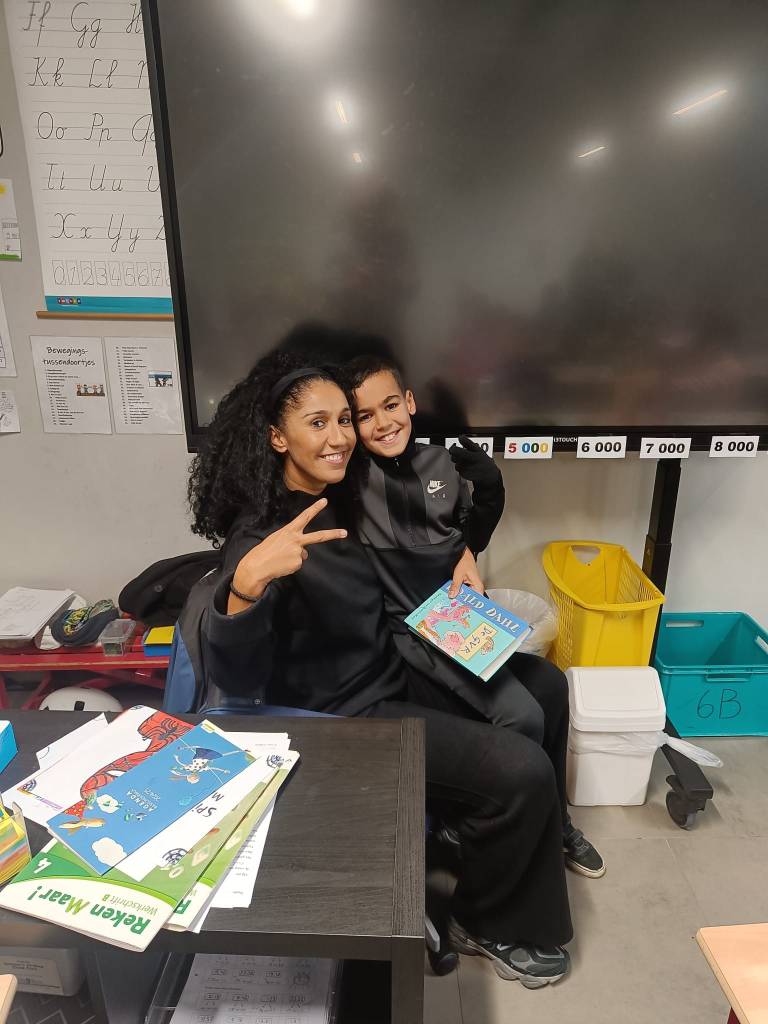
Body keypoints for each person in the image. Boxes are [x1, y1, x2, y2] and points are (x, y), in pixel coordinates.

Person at [190, 349, 573, 986]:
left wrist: (464, 553)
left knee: (546, 686)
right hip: (345, 715)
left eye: (345, 420)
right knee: (520, 770)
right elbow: (235, 673)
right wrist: (245, 589)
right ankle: (484, 919)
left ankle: (525, 831)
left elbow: (425, 530)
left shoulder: (343, 491)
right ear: (278, 437)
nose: (340, 437)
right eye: (318, 423)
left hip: (392, 666)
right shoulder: (263, 539)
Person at [347, 353, 604, 879]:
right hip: (410, 635)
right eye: (364, 415)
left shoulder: (441, 464)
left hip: (460, 619)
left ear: (410, 402)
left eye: (390, 405)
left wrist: (484, 507)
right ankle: (483, 832)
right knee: (522, 716)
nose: (382, 423)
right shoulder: (351, 480)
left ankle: (553, 823)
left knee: (551, 688)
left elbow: (463, 537)